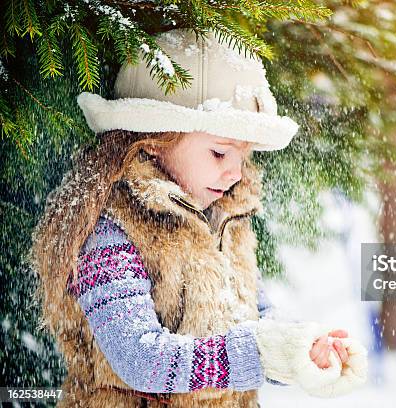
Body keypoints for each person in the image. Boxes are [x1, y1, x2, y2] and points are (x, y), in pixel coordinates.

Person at [29, 29, 367, 407]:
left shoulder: (226, 220)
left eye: (244, 156)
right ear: (155, 142)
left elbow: (256, 316)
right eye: (220, 154)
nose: (237, 173)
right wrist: (259, 353)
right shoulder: (111, 233)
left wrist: (300, 347)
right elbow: (140, 359)